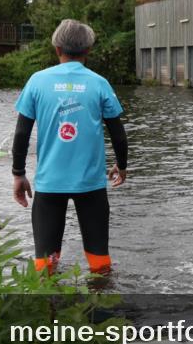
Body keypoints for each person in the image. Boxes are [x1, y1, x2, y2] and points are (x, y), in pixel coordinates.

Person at [12, 19, 128, 275]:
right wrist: (121, 165)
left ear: (56, 48)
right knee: (99, 261)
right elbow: (118, 134)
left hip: (49, 184)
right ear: (88, 51)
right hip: (91, 185)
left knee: (45, 265)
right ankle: (101, 308)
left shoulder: (37, 81)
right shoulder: (99, 83)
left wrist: (18, 174)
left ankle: (49, 312)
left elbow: (21, 133)